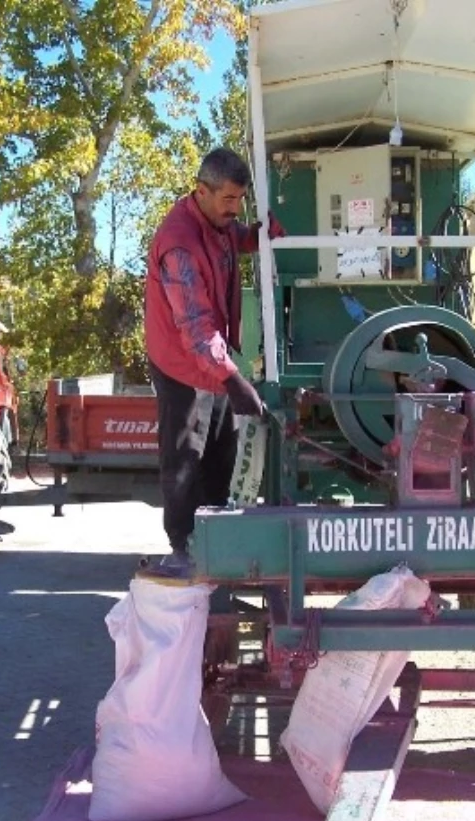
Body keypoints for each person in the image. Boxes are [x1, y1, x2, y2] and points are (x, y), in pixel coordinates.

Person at [144, 147, 283, 577]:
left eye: (240, 201)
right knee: (185, 459)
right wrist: (234, 379)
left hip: (213, 361)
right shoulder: (179, 245)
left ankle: (216, 541)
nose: (235, 210)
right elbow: (197, 331)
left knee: (223, 452)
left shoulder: (217, 223)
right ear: (201, 191)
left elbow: (233, 239)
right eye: (228, 200)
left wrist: (260, 234)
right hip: (182, 365)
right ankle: (183, 548)